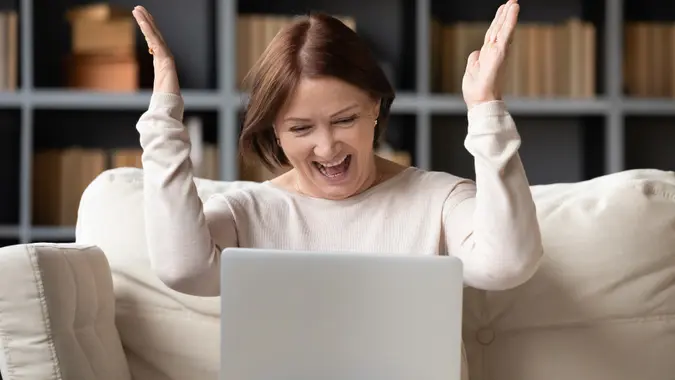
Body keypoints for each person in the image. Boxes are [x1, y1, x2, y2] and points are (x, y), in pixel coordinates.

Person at [131, 0, 542, 298]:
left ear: (375, 108)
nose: (327, 147)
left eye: (344, 120)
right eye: (301, 127)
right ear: (276, 131)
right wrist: (164, 123)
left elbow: (507, 265)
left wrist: (486, 108)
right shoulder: (246, 212)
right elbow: (182, 271)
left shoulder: (441, 200)